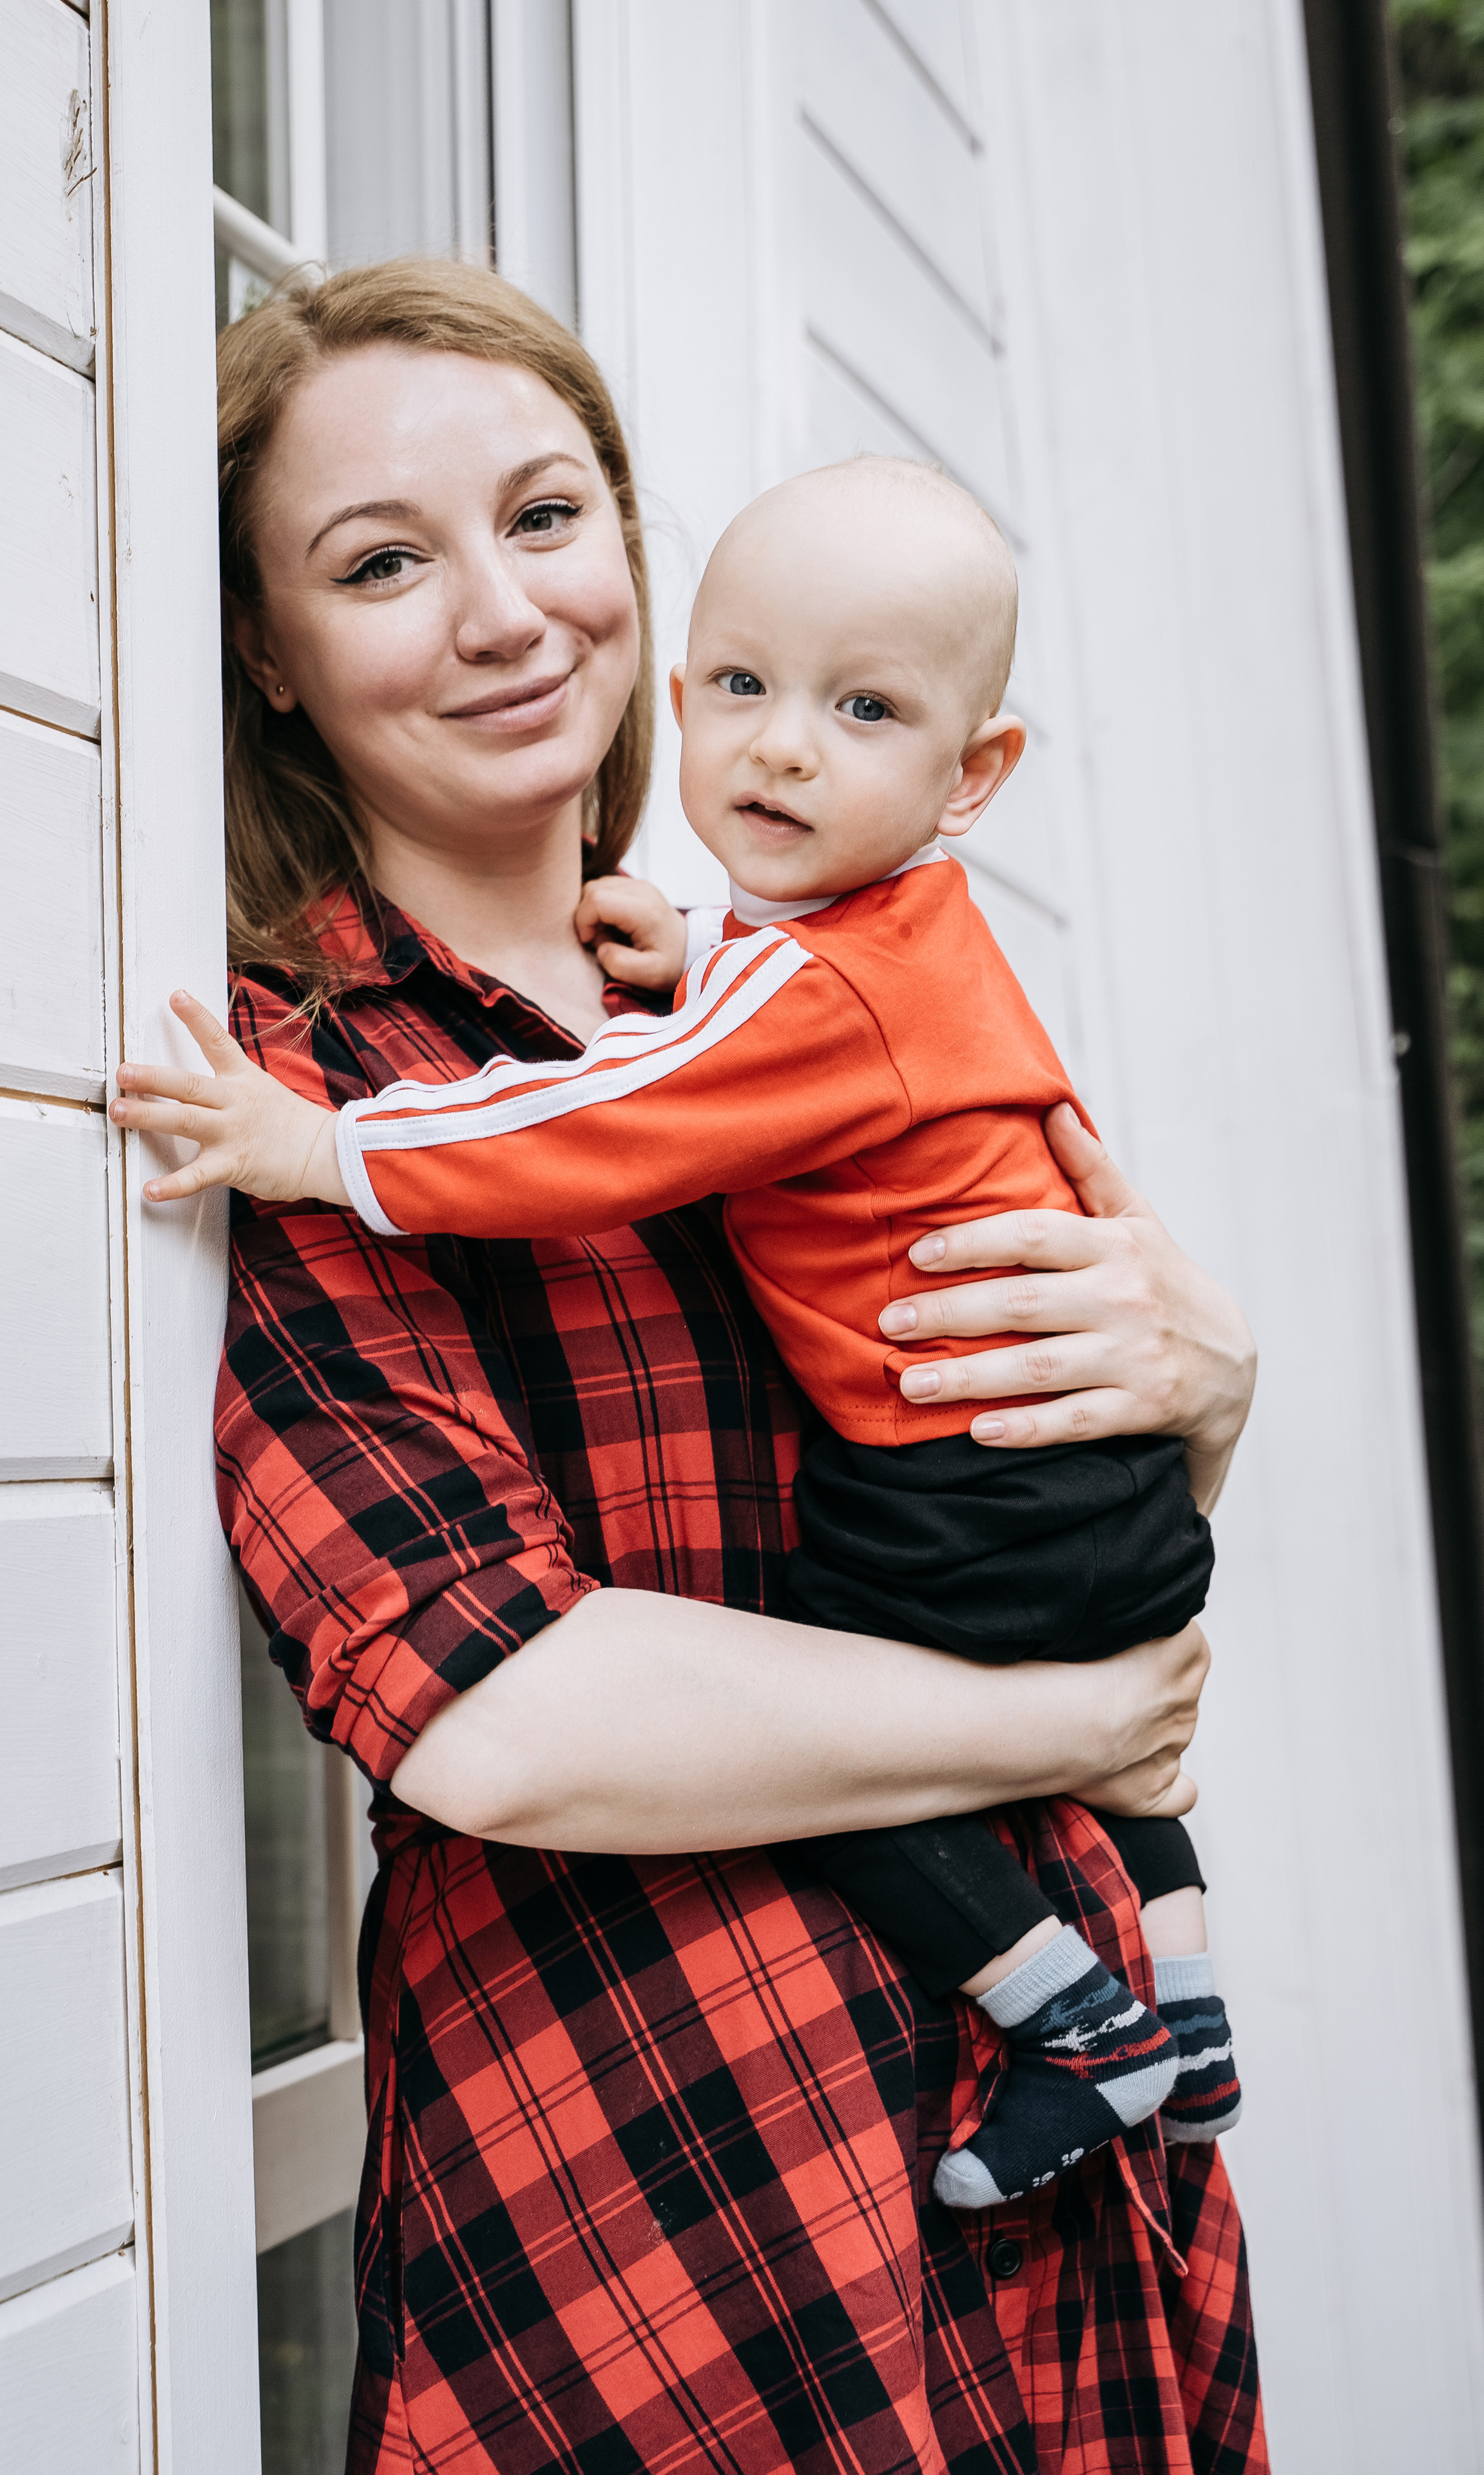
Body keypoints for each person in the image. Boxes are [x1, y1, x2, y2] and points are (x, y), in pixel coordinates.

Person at [112, 258, 1266, 2470]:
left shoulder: (775, 987)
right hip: (670, 2155)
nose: (501, 615)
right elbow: (505, 1717)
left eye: (548, 518)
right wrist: (1070, 1720)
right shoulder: (308, 1098)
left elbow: (1017, 1473)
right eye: (379, 564)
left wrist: (1209, 1399)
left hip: (1047, 2125)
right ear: (266, 653)